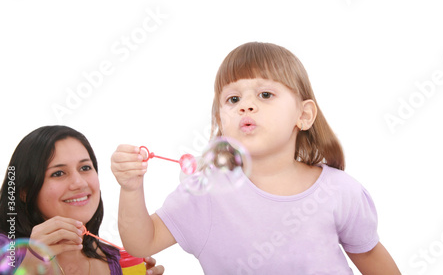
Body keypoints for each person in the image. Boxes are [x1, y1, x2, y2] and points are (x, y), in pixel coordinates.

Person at [111, 42, 401, 274]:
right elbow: (141, 241)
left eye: (264, 94)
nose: (246, 106)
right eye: (233, 99)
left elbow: (371, 257)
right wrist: (131, 188)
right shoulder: (206, 194)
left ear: (303, 115)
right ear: (220, 120)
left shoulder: (340, 191)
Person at [0, 125, 165, 275]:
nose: (79, 183)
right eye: (58, 173)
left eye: (85, 168)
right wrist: (30, 266)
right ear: (25, 192)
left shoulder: (118, 260)